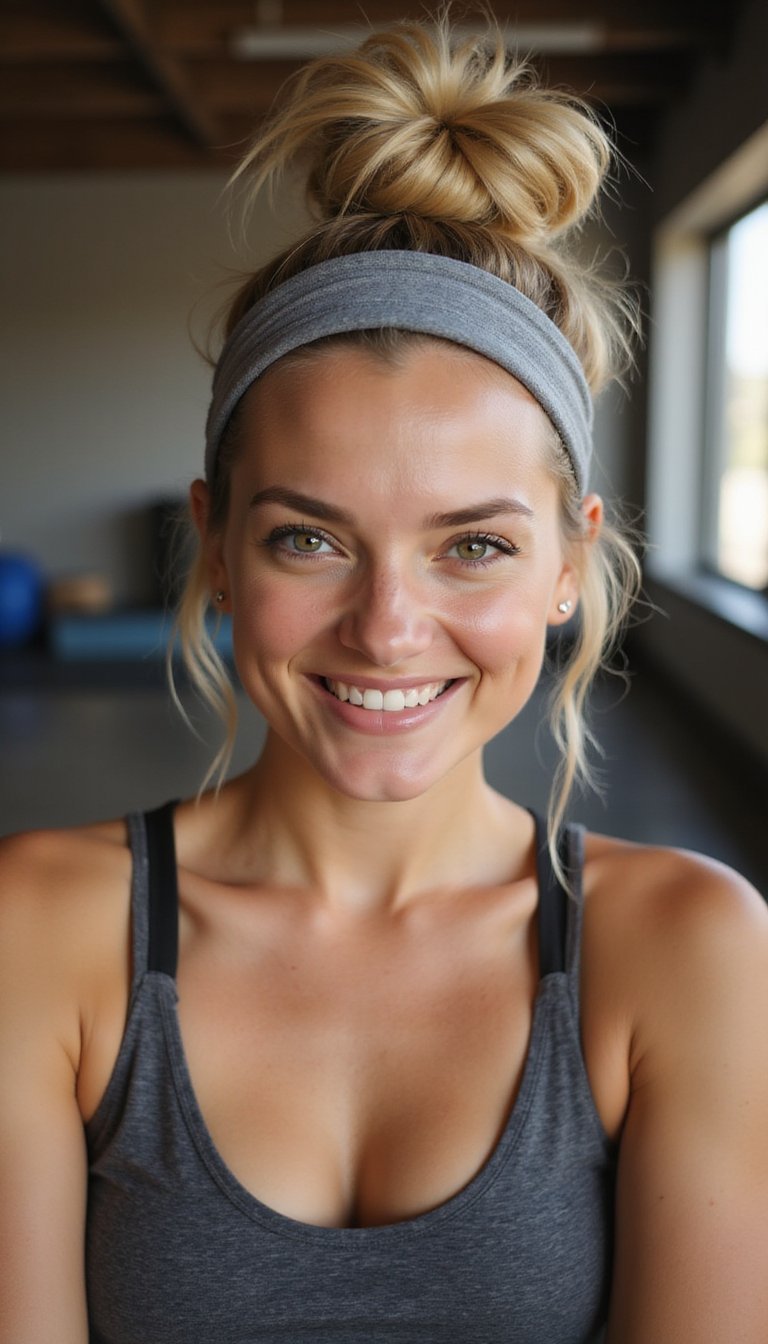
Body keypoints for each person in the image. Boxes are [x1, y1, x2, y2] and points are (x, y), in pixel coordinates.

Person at [1, 16, 767, 1344]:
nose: (389, 626)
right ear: (221, 548)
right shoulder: (39, 933)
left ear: (571, 563)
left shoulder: (687, 949)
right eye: (311, 538)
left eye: (474, 546)